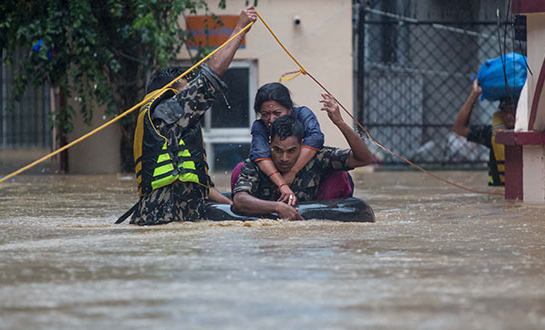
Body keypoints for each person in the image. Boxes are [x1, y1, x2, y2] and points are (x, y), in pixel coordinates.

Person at [119, 6, 257, 225]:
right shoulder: (165, 112)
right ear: (170, 91)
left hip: (178, 218)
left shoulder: (169, 122)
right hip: (164, 221)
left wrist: (233, 207)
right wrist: (240, 28)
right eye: (186, 89)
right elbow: (211, 76)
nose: (190, 93)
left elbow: (199, 185)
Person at [232, 93, 373, 220]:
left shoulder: (317, 157)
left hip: (316, 220)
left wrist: (340, 123)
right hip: (269, 219)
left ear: (302, 145)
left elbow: (364, 159)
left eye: (291, 151)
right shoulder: (257, 164)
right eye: (278, 150)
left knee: (340, 175)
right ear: (270, 145)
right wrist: (277, 207)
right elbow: (239, 201)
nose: (284, 158)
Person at [230, 82, 353, 204]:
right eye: (265, 114)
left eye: (277, 113)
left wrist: (292, 172)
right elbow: (259, 154)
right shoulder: (259, 126)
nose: (271, 120)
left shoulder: (303, 114)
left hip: (306, 171)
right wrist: (282, 183)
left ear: (290, 110)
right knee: (239, 169)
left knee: (339, 174)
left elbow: (316, 139)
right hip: (276, 177)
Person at [452, 78, 517, 186]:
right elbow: (459, 128)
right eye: (505, 111)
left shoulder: (533, 134)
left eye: (513, 111)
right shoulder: (491, 134)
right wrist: (474, 95)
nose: (509, 116)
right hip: (498, 193)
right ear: (500, 113)